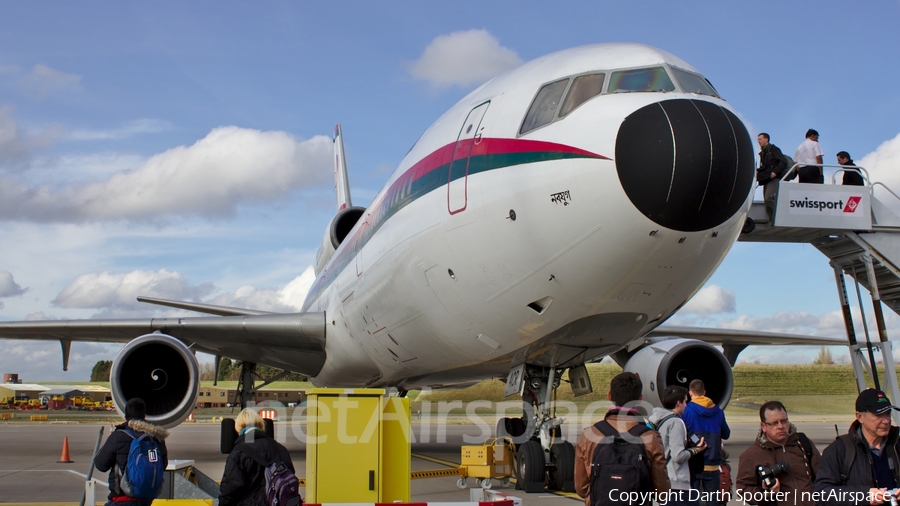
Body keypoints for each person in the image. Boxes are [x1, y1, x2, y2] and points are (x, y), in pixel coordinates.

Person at [574, 371, 670, 506]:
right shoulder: (651, 438)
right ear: (640, 399)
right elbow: (662, 493)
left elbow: (581, 488)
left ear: (609, 395)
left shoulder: (589, 435)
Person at [814, 388, 900, 506]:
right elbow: (822, 493)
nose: (886, 420)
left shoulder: (897, 443)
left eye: (888, 413)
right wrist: (864, 495)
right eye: (878, 415)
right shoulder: (838, 450)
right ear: (860, 417)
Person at [735, 401, 820, 506]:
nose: (781, 426)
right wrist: (765, 494)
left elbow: (824, 476)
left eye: (784, 421)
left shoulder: (803, 443)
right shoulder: (751, 455)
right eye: (775, 423)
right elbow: (742, 489)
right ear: (763, 426)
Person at [95, 398, 169, 506]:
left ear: (126, 415)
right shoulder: (156, 438)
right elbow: (163, 465)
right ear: (144, 415)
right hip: (146, 500)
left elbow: (101, 465)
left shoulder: (119, 436)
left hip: (121, 499)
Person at [219, 408, 296, 506]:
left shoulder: (239, 453)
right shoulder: (280, 448)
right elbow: (290, 475)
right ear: (260, 424)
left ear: (238, 428)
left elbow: (229, 488)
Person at [649, 385, 707, 505]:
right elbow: (678, 456)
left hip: (664, 481)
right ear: (678, 403)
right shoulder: (676, 422)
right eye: (685, 402)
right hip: (677, 483)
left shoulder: (658, 420)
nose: (686, 405)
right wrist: (696, 450)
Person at [681, 380, 730, 505]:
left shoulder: (687, 410)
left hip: (694, 462)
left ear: (690, 393)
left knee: (693, 501)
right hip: (713, 464)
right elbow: (726, 434)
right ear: (704, 392)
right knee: (712, 502)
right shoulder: (718, 411)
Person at [757, 133, 788, 223]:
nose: (759, 141)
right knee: (766, 201)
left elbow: (783, 161)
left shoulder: (773, 149)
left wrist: (775, 172)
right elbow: (765, 167)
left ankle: (781, 217)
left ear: (766, 139)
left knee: (768, 198)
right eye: (758, 140)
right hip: (766, 178)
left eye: (760, 139)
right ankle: (772, 221)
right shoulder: (763, 153)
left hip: (773, 178)